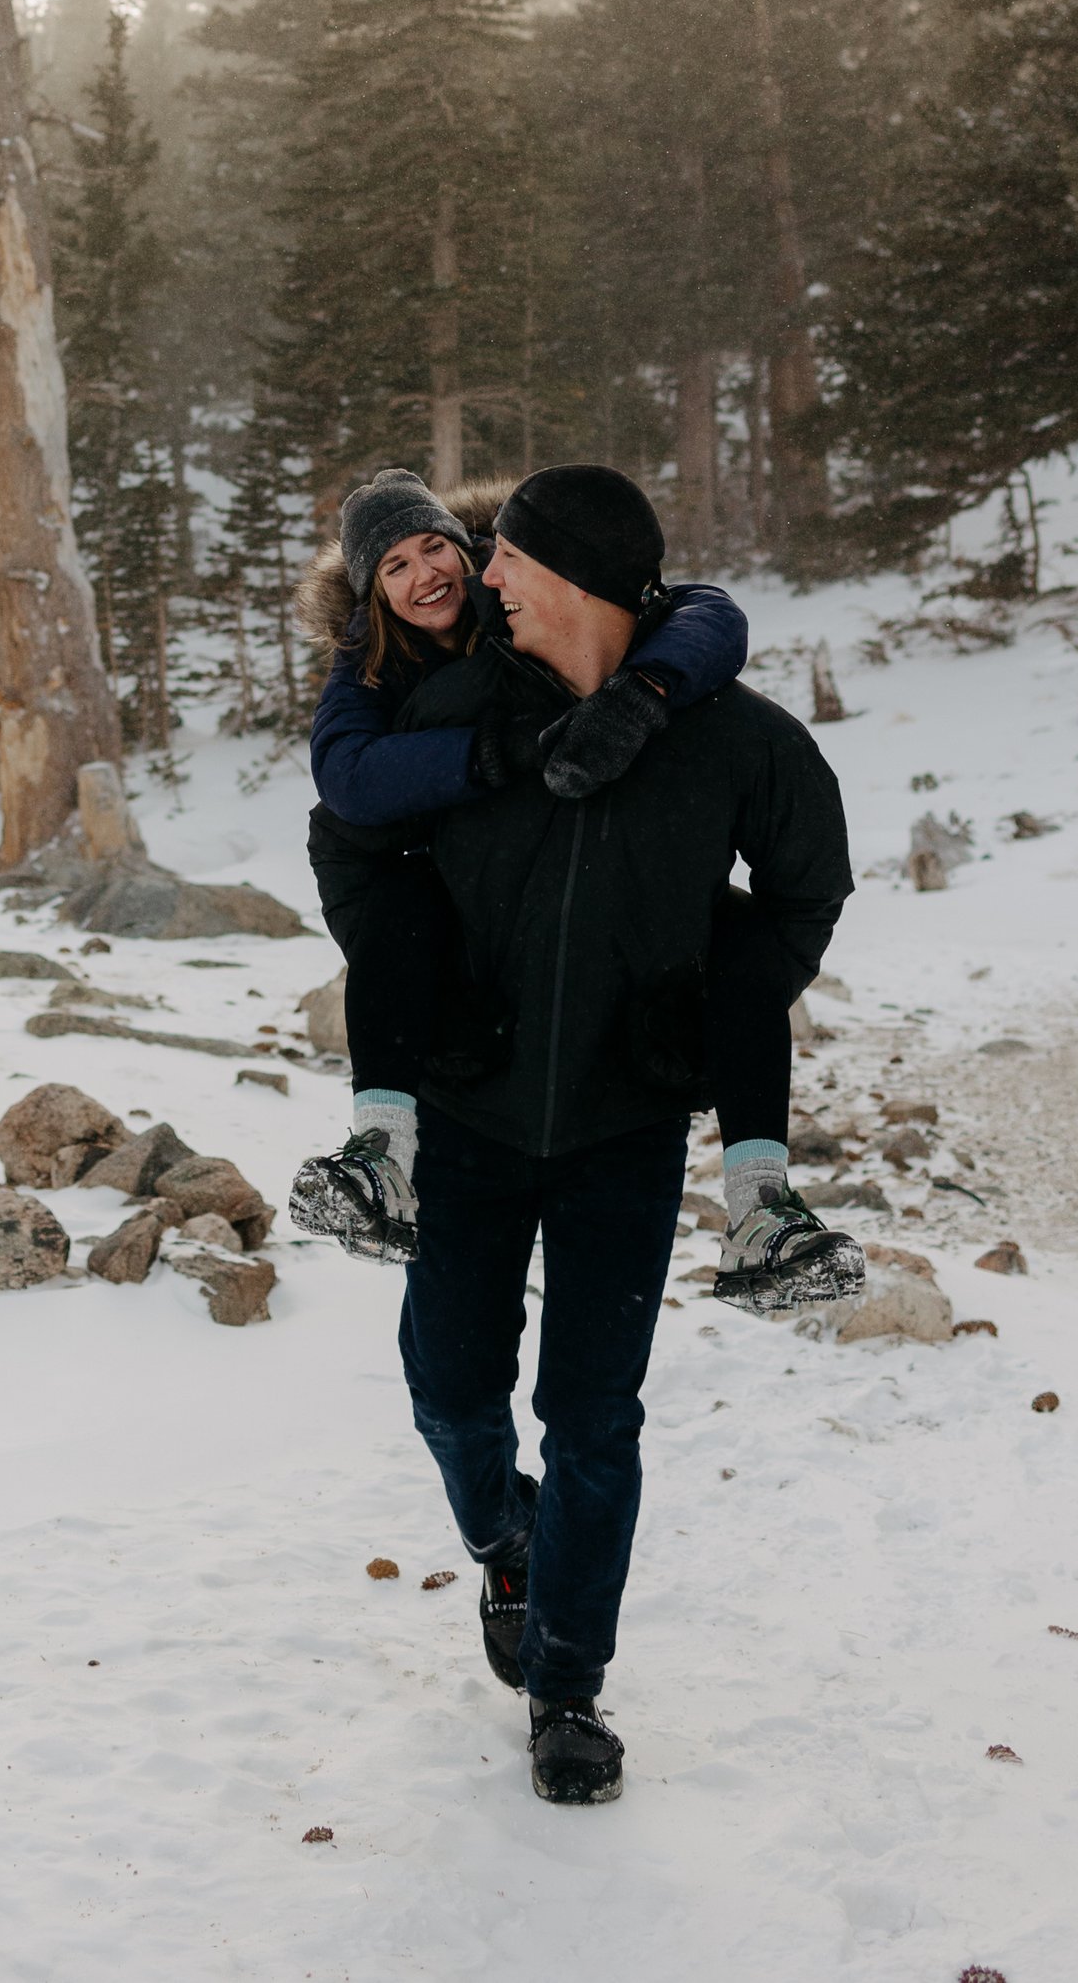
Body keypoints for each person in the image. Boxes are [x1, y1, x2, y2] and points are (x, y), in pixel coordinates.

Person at [349, 462, 853, 1808]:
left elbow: (808, 883)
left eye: (505, 556)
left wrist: (714, 998)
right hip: (468, 1114)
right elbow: (349, 829)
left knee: (595, 1422)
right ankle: (504, 1535)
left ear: (566, 573)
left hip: (623, 1133)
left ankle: (566, 1684)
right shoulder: (462, 713)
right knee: (451, 1390)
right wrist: (423, 985)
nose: (482, 575)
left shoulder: (731, 738)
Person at [288, 468, 861, 1327]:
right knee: (400, 904)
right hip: (469, 1070)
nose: (431, 576)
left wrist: (643, 693)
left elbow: (707, 612)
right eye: (394, 568)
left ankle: (761, 1205)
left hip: (622, 1095)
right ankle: (378, 1150)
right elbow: (347, 792)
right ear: (369, 598)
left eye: (437, 547)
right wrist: (495, 755)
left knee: (738, 937)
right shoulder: (380, 677)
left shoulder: (527, 606)